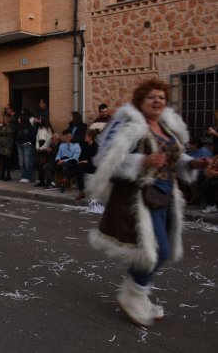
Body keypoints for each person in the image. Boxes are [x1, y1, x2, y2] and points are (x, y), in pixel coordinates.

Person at [86, 78, 210, 327]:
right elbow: (106, 160)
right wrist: (141, 162)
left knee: (156, 251)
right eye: (151, 97)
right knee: (158, 251)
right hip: (140, 198)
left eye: (162, 97)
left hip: (166, 196)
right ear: (141, 101)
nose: (157, 101)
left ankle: (137, 294)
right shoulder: (129, 125)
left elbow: (175, 157)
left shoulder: (167, 126)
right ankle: (132, 295)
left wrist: (194, 163)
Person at [66, 128, 98, 200]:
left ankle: (68, 177)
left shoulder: (95, 146)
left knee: (80, 166)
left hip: (94, 166)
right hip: (86, 165)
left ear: (90, 137)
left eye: (86, 136)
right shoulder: (85, 144)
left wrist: (84, 161)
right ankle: (81, 192)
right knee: (79, 172)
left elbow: (94, 159)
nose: (85, 137)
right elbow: (82, 154)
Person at [15, 111, 36, 182]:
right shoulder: (19, 126)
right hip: (19, 145)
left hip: (27, 144)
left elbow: (33, 136)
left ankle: (28, 177)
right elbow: (16, 135)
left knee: (27, 161)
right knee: (21, 161)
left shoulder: (29, 127)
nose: (18, 119)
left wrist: (30, 142)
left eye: (20, 118)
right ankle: (23, 176)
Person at [34, 116, 54, 187]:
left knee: (43, 164)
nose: (39, 120)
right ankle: (41, 180)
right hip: (39, 146)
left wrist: (43, 147)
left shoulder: (48, 129)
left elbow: (49, 139)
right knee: (39, 165)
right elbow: (37, 138)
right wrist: (37, 146)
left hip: (44, 147)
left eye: (40, 119)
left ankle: (46, 180)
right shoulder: (39, 128)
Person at [0, 114, 16, 181]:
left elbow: (6, 132)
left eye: (7, 119)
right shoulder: (4, 126)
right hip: (2, 146)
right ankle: (2, 175)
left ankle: (8, 175)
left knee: (7, 161)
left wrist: (1, 127)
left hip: (7, 146)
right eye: (5, 119)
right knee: (2, 161)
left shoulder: (12, 126)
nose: (5, 120)